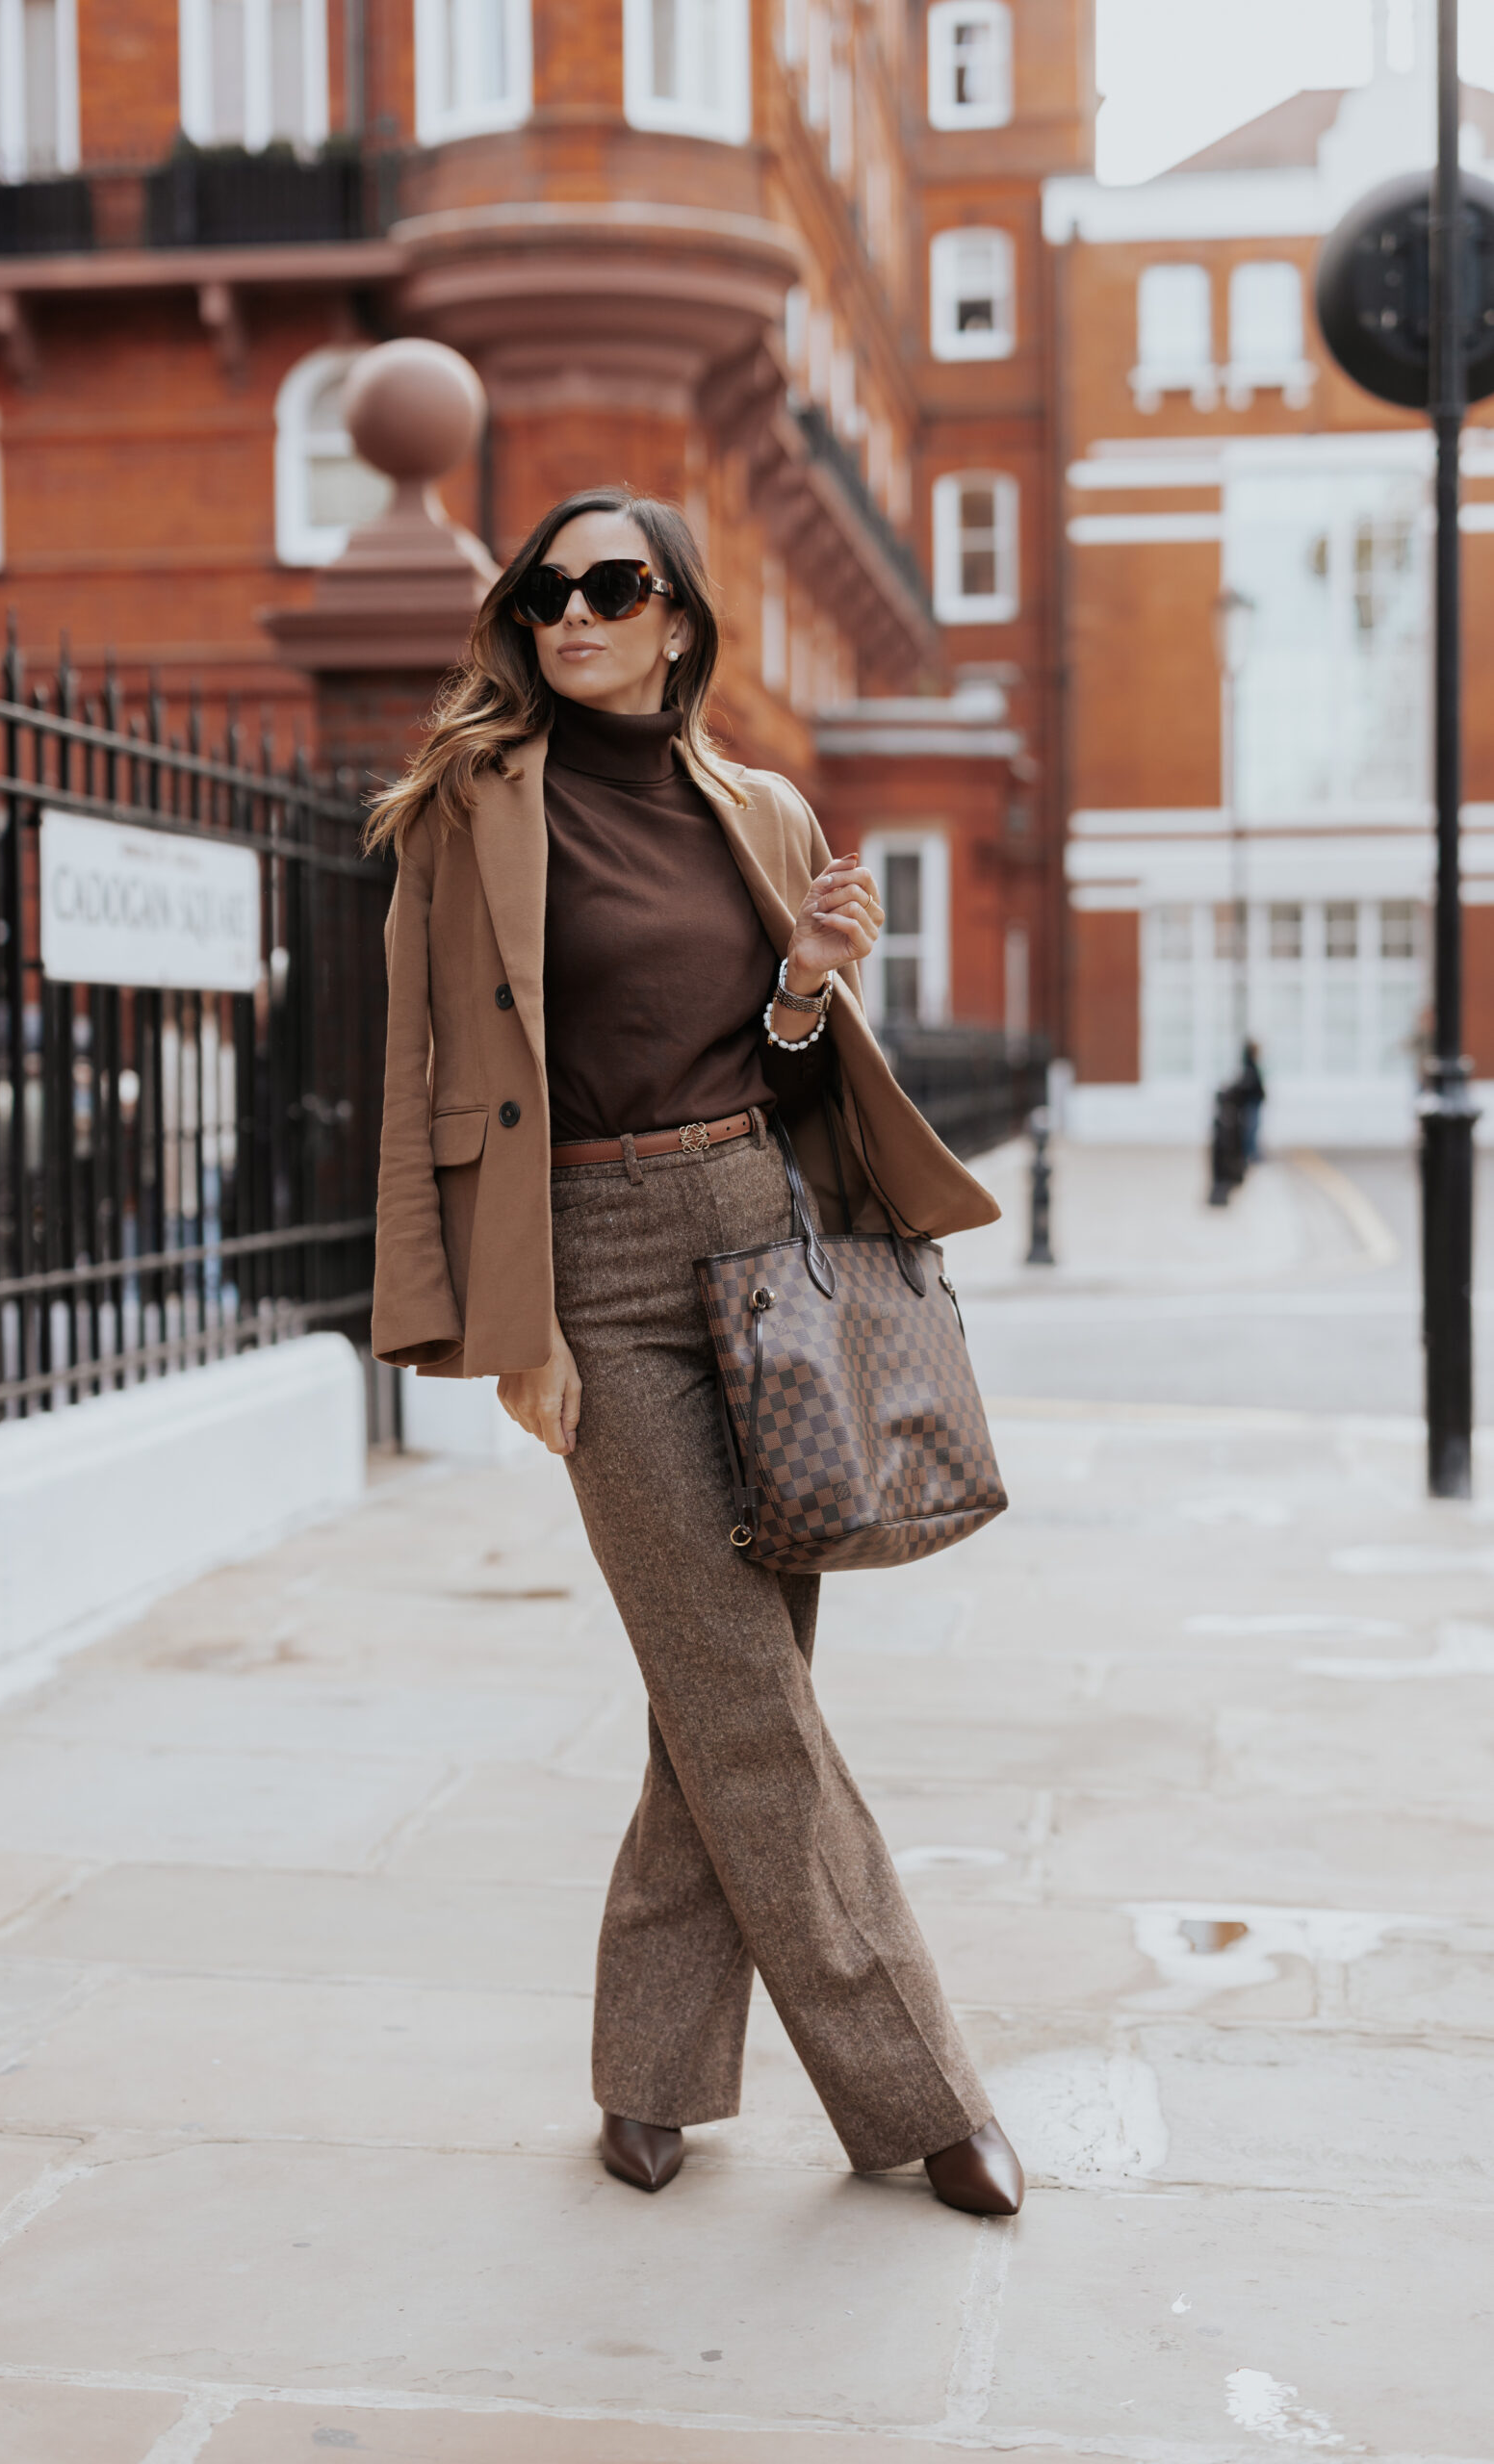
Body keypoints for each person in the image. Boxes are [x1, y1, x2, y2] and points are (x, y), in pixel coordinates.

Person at [367, 484, 1025, 2217]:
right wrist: (504, 1329)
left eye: (608, 586)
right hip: (589, 1262)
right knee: (742, 1695)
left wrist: (806, 984)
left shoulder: (758, 803)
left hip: (758, 1243)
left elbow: (788, 1076)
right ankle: (923, 2095)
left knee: (725, 1695)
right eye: (542, 592)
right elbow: (423, 1084)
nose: (568, 614)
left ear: (674, 619)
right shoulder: (467, 811)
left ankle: (647, 2080)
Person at [1237, 1039, 1266, 1166]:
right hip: (1252, 1103)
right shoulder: (1249, 1068)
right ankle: (1250, 1154)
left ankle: (1252, 1153)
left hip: (1254, 1102)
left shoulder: (1251, 1066)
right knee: (1251, 1129)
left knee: (1253, 1128)